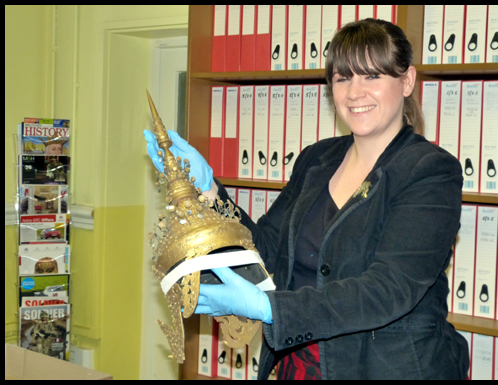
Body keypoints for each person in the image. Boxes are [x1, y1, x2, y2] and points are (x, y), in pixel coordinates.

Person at [144, 18, 469, 380]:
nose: (354, 92)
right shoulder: (317, 159)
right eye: (343, 78)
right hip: (299, 365)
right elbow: (264, 247)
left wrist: (267, 307)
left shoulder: (430, 171)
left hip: (385, 369)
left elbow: (387, 290)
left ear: (406, 81)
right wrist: (207, 190)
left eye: (372, 76)